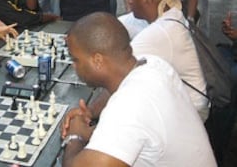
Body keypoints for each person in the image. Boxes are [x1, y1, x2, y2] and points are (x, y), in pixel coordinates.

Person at [60, 12, 216, 167]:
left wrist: (75, 136)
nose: (73, 66)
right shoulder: (153, 64)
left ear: (98, 60)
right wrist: (90, 115)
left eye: (75, 59)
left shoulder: (130, 105)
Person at [128, 0, 209, 120]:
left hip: (190, 112)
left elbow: (120, 69)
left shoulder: (160, 32)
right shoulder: (174, 15)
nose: (129, 1)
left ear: (148, 0)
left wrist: (91, 111)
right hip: (191, 102)